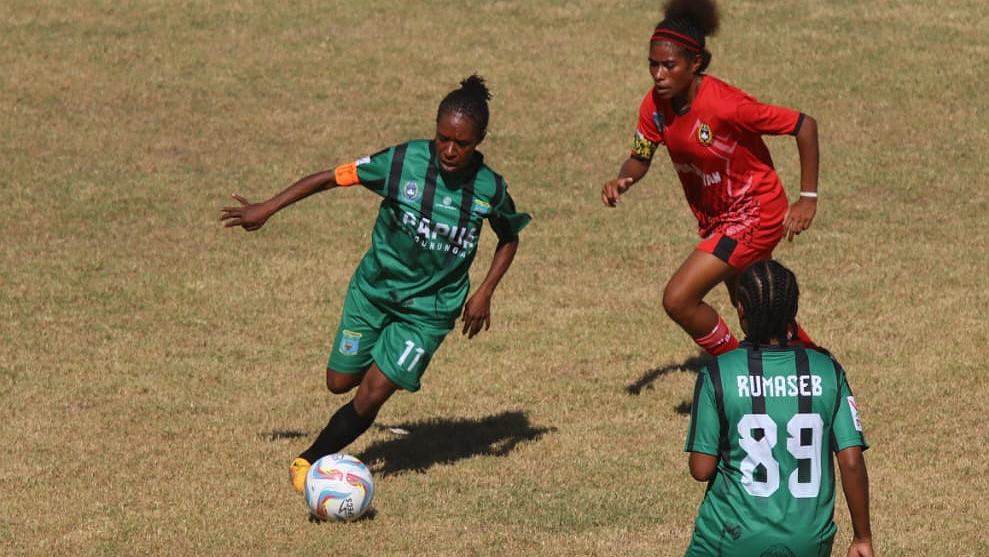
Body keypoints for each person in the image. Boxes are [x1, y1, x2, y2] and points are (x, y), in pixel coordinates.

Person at [220, 75, 531, 493]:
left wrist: (485, 291)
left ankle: (308, 462)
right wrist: (268, 208)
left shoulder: (490, 188)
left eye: (462, 144)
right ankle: (379, 359)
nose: (450, 150)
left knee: (371, 394)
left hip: (429, 312)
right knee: (338, 382)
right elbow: (331, 177)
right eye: (442, 138)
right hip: (374, 290)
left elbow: (509, 237)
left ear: (480, 141)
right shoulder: (401, 162)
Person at [601, 0, 820, 356]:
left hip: (753, 214)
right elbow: (640, 156)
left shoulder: (726, 105)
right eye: (653, 64)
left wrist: (807, 198)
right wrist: (623, 179)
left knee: (679, 298)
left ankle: (736, 367)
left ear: (695, 63)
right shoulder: (655, 105)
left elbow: (804, 126)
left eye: (669, 65)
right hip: (722, 220)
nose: (658, 75)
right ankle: (808, 363)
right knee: (755, 304)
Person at [684, 260, 873, 557]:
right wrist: (862, 538)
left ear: (741, 310)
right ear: (793, 310)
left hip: (730, 539)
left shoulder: (718, 373)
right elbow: (851, 462)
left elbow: (701, 468)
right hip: (808, 541)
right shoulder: (828, 371)